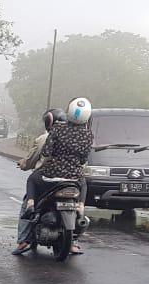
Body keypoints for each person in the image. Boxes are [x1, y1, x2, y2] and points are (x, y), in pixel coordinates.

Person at [21, 97, 94, 255]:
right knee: (83, 183)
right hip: (74, 178)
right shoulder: (88, 135)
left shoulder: (58, 129)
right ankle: (81, 207)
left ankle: (31, 205)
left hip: (51, 174)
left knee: (32, 179)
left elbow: (46, 152)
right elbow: (83, 159)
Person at [12, 109, 62, 255]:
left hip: (45, 180)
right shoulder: (75, 136)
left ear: (48, 123)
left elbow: (31, 161)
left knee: (28, 204)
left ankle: (23, 240)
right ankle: (74, 242)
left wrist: (24, 164)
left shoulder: (44, 138)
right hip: (71, 180)